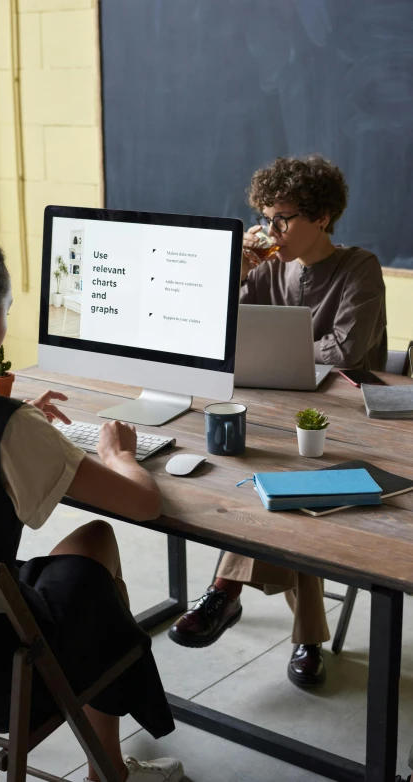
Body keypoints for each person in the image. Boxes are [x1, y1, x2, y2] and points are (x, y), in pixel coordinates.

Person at [0, 210, 183, 782]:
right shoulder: (5, 426)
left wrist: (12, 417)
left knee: (56, 570)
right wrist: (118, 454)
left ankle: (111, 771)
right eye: (5, 312)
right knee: (97, 543)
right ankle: (109, 772)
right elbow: (145, 504)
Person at [169, 155, 387, 689]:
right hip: (274, 407)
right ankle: (306, 637)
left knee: (283, 488)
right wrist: (232, 279)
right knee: (277, 489)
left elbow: (347, 350)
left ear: (324, 217)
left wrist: (280, 352)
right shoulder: (265, 265)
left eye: (284, 218)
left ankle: (225, 591)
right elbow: (220, 336)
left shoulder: (359, 266)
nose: (271, 230)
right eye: (267, 217)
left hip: (343, 419)